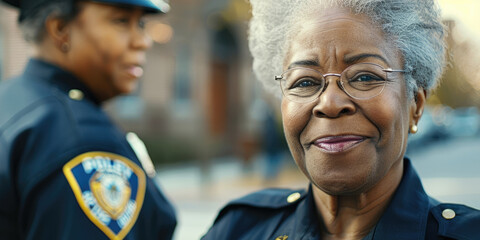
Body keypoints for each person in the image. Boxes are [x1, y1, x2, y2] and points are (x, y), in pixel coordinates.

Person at [202, 0, 480, 239]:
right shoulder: (238, 230)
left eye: (364, 77)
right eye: (304, 82)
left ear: (416, 105)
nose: (330, 103)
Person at [0, 0, 176, 239]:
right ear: (60, 28)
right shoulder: (81, 139)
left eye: (141, 24)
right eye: (121, 21)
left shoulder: (13, 101)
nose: (143, 41)